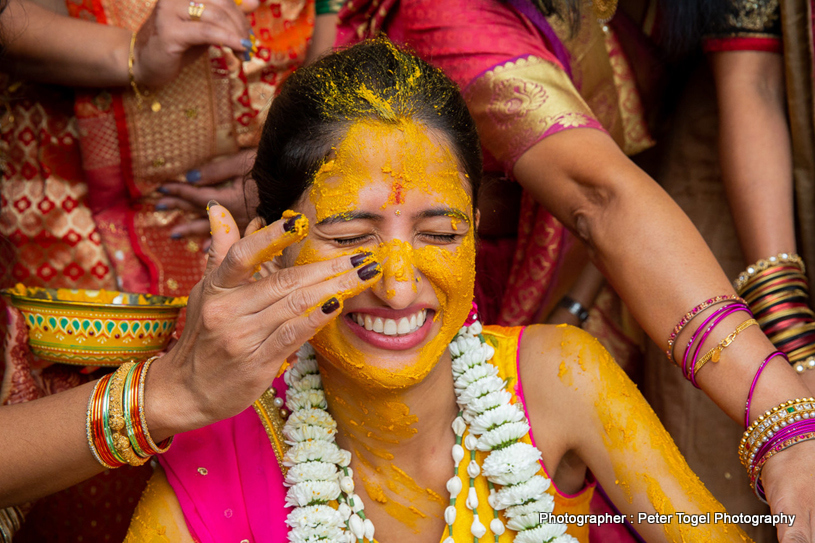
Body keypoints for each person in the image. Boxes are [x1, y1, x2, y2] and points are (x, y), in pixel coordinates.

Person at [110, 39, 785, 542]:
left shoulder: (560, 378)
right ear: (269, 246)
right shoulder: (224, 449)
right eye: (350, 239)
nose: (400, 287)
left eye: (438, 233)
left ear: (474, 232)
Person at [333, 1, 815, 538]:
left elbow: (623, 163)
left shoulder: (571, 369)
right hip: (455, 317)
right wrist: (784, 417)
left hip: (620, 285)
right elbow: (596, 197)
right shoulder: (448, 12)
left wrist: (579, 302)